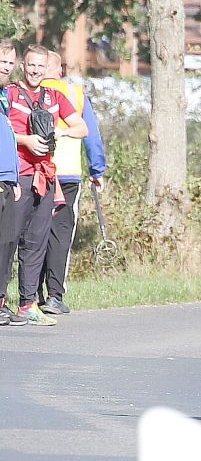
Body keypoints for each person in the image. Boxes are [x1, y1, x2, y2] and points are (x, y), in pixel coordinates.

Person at [0, 45, 88, 326]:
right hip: (18, 176)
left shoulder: (54, 95)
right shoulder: (11, 93)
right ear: (22, 66)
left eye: (40, 66)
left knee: (36, 241)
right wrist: (25, 140)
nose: (35, 71)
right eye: (31, 65)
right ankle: (1, 301)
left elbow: (81, 127)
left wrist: (59, 131)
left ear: (47, 67)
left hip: (46, 177)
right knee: (8, 241)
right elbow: (4, 128)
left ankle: (27, 304)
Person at [37, 50, 107, 314]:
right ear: (60, 71)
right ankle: (54, 295)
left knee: (34, 235)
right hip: (67, 174)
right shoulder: (76, 94)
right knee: (61, 235)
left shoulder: (26, 93)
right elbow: (92, 138)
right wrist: (97, 171)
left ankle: (30, 294)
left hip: (36, 172)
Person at [0, 40, 26, 326]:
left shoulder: (5, 95)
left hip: (8, 178)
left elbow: (7, 138)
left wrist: (15, 177)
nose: (5, 67)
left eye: (9, 63)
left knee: (6, 244)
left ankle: (1, 301)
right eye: (1, 61)